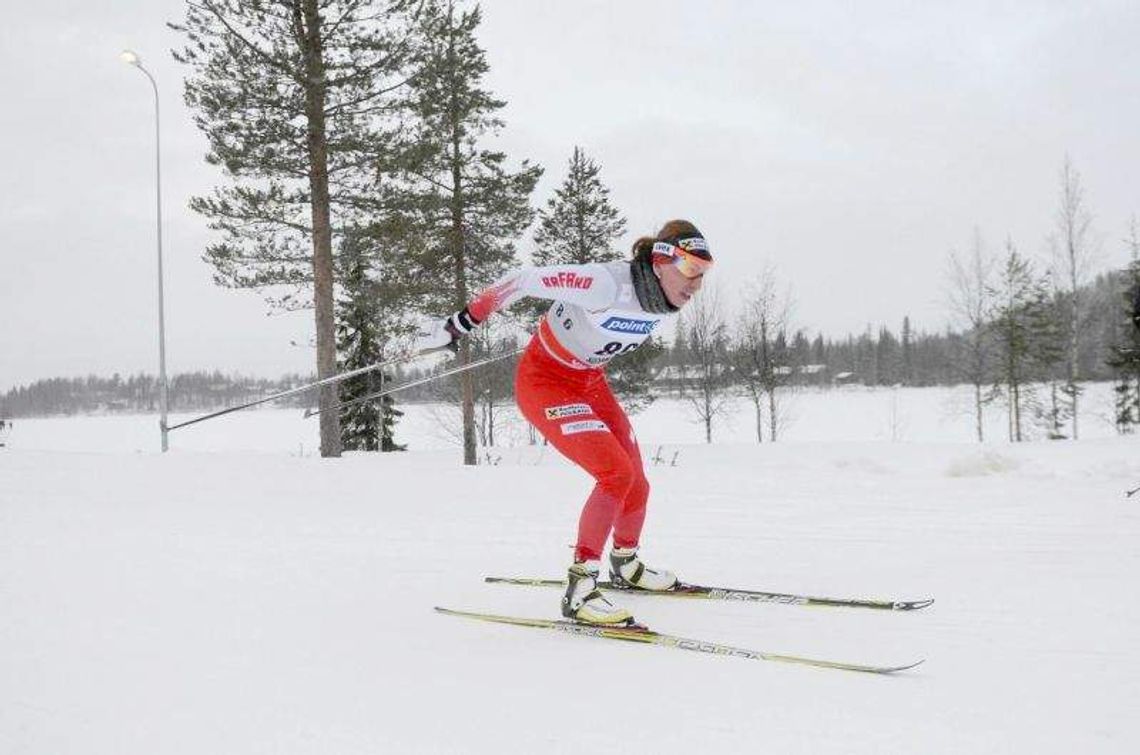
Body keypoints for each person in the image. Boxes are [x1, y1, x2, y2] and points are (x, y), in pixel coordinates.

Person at [416, 219, 714, 625]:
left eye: (704, 272)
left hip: (589, 381)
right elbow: (522, 280)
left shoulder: (659, 297)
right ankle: (580, 589)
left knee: (636, 482)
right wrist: (460, 323)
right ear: (661, 261)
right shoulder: (605, 284)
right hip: (546, 384)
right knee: (615, 475)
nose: (696, 283)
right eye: (691, 268)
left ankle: (625, 564)